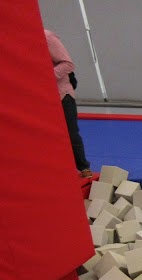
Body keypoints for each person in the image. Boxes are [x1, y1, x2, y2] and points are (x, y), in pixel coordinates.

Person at [44, 30, 92, 178]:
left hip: (62, 94)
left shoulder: (47, 37)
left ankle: (84, 167)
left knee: (70, 133)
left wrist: (44, 76)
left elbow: (67, 64)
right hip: (41, 96)